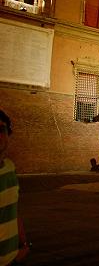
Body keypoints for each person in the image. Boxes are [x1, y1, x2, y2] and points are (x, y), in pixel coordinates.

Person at [0, 110, 29, 264]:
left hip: (13, 258)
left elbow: (13, 210)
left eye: (1, 129)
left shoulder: (10, 168)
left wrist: (23, 244)